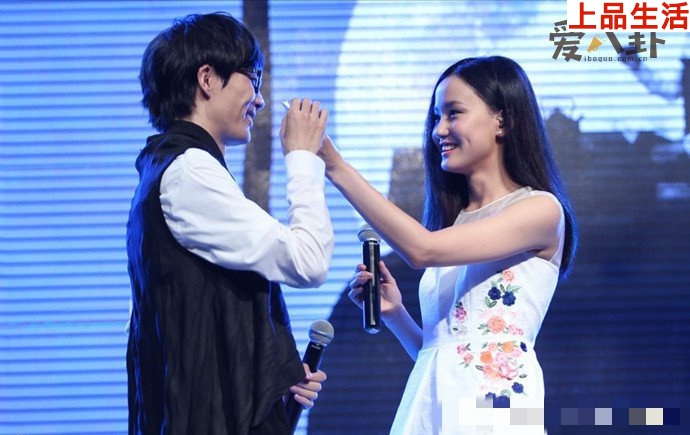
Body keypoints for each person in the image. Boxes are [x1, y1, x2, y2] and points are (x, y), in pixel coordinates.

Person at [318, 56, 577, 434]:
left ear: (503, 120)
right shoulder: (456, 223)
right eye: (435, 117)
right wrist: (394, 313)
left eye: (454, 113)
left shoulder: (540, 209)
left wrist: (336, 167)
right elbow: (443, 356)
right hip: (432, 410)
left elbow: (421, 250)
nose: (439, 130)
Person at [126, 12, 333, 434]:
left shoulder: (170, 167)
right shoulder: (189, 172)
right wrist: (301, 157)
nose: (260, 100)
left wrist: (271, 375)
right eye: (253, 79)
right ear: (207, 78)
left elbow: (203, 313)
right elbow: (308, 260)